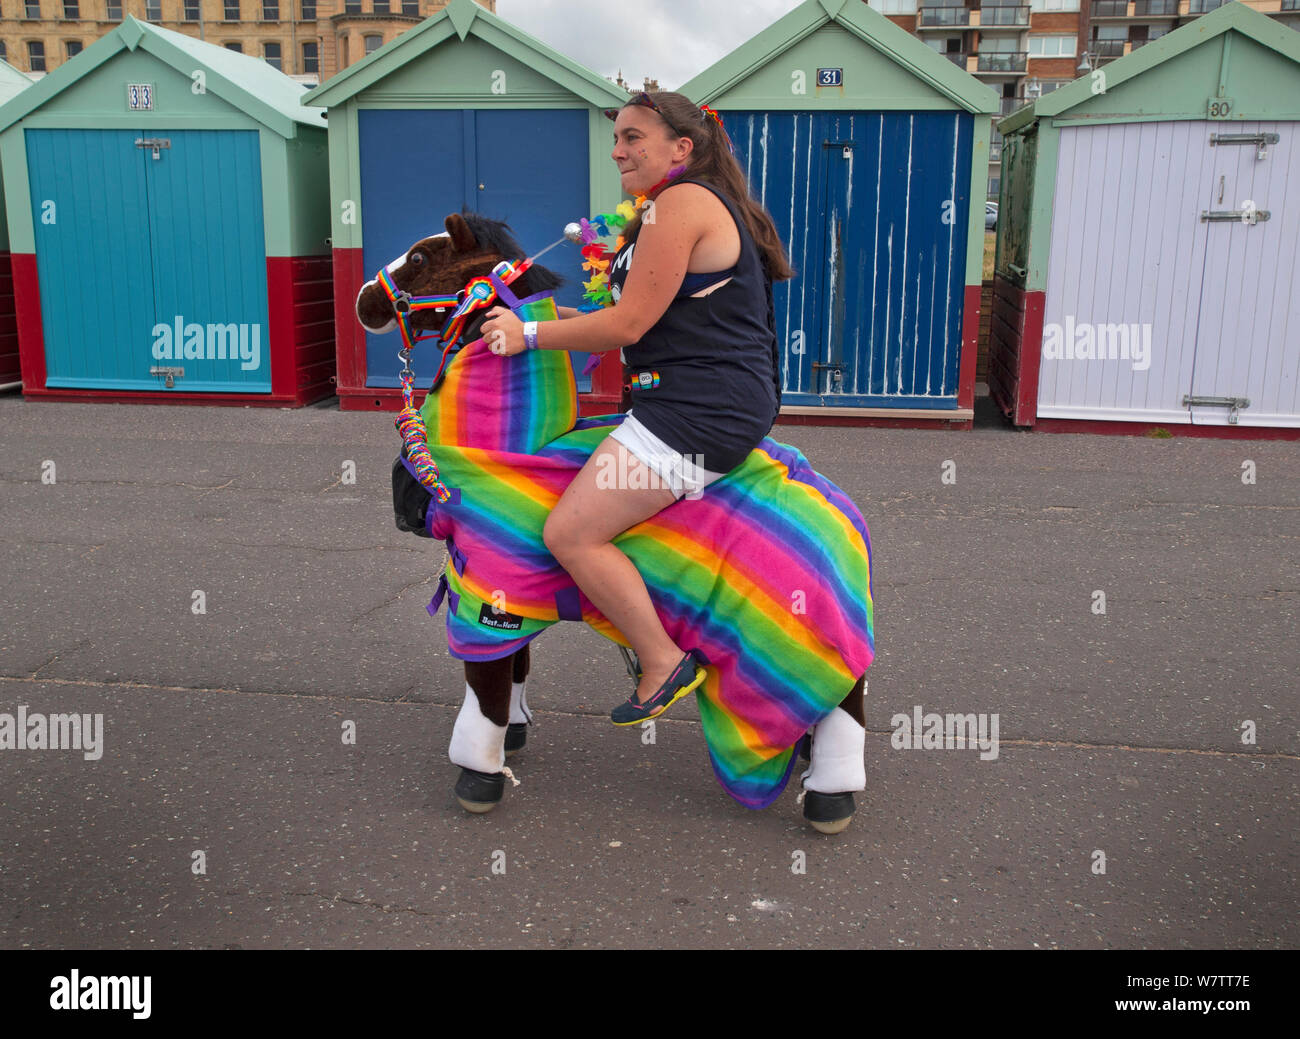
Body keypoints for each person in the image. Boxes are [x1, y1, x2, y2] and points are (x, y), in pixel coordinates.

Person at [479, 90, 794, 725]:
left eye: (633, 138)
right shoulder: (672, 205)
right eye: (616, 138)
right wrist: (563, 318)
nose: (619, 150)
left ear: (683, 148)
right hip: (691, 400)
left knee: (570, 531)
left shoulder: (680, 204)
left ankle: (661, 660)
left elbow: (627, 327)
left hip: (698, 412)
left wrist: (530, 335)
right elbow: (648, 318)